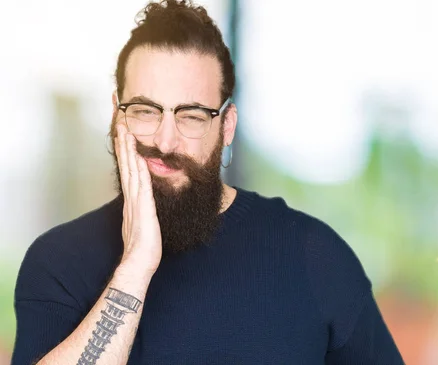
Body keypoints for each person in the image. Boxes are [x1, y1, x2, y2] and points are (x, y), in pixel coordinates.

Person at [11, 1, 405, 364]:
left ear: (226, 127)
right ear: (117, 115)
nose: (165, 142)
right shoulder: (57, 262)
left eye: (192, 116)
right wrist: (135, 269)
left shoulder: (313, 255)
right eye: (146, 111)